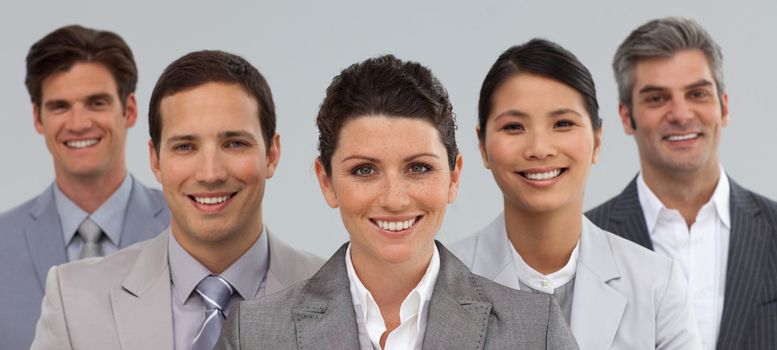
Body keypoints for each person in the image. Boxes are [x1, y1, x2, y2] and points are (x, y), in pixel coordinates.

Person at [216, 55, 578, 350]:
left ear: (453, 176)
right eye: (364, 170)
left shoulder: (535, 331)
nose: (394, 198)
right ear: (327, 182)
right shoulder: (254, 334)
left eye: (418, 167)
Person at [30, 50, 324, 350]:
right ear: (155, 160)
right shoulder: (74, 301)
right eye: (185, 147)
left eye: (235, 143)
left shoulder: (341, 293)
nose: (210, 174)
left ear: (272, 154)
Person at [449, 39, 701, 349]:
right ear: (482, 145)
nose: (539, 149)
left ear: (597, 139)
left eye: (563, 123)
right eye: (514, 127)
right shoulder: (441, 279)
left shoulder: (656, 284)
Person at [586, 17, 777, 350]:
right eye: (657, 99)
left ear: (724, 106)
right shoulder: (582, 246)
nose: (681, 113)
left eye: (697, 94)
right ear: (626, 117)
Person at [0, 25, 170, 350]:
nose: (78, 123)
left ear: (130, 110)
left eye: (96, 103)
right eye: (60, 106)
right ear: (38, 118)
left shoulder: (187, 228)